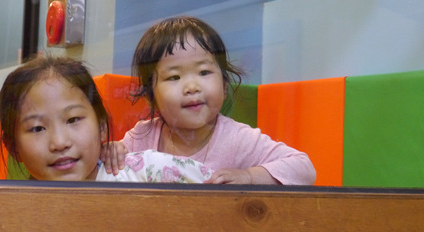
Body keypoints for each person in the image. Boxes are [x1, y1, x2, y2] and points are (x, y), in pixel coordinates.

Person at [101, 16, 316, 185]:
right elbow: (105, 170)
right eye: (174, 77)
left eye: (204, 72)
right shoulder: (141, 137)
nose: (192, 87)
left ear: (224, 85)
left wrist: (250, 176)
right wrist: (110, 152)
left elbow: (303, 168)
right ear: (151, 98)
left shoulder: (237, 139)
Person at [0, 54, 214, 183]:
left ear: (102, 127)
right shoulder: (12, 211)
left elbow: (223, 191)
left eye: (73, 120)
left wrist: (238, 179)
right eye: (37, 128)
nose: (60, 143)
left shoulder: (147, 172)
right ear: (13, 147)